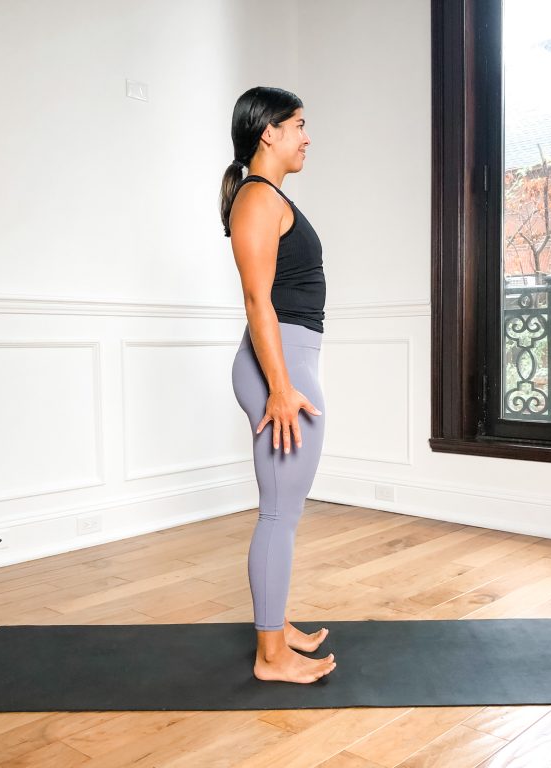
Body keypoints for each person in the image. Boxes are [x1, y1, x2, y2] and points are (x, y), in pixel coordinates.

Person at [220, 86, 336, 684]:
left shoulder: (267, 197)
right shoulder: (258, 198)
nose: (306, 136)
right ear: (269, 132)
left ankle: (276, 624)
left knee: (283, 511)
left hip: (289, 356)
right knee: (278, 515)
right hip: (278, 363)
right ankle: (271, 657)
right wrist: (281, 387)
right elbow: (256, 298)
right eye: (298, 124)